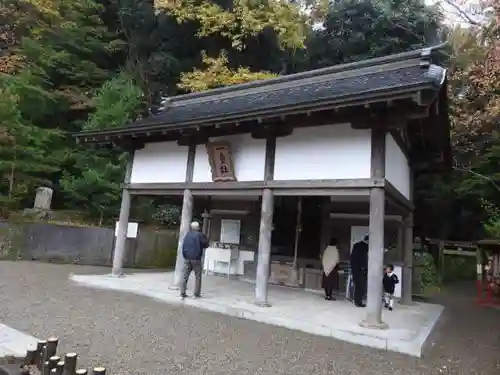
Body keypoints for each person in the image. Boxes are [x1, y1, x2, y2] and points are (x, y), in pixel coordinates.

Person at [180, 221, 209, 299]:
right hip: (196, 259)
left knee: (185, 276)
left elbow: (184, 245)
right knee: (198, 276)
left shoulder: (187, 234)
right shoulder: (199, 235)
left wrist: (185, 255)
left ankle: (182, 293)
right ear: (197, 227)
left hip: (187, 258)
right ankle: (196, 294)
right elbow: (206, 244)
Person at [349, 235, 369, 307]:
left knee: (357, 285)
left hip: (355, 269)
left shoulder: (356, 245)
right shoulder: (365, 247)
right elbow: (365, 259)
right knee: (360, 286)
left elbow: (352, 258)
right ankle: (358, 302)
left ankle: (356, 300)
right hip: (361, 269)